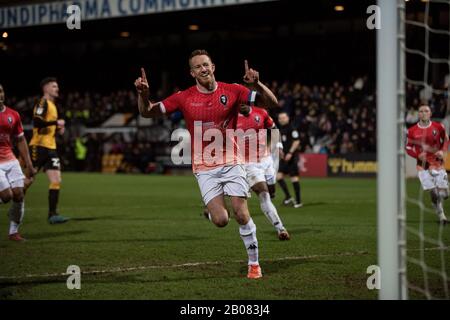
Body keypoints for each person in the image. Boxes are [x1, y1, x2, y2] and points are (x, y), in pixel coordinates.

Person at [134, 49, 278, 279]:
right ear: (192, 73)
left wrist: (258, 85)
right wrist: (143, 94)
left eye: (206, 65)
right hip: (204, 168)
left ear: (213, 67)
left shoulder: (233, 90)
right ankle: (213, 211)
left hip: (232, 161)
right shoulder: (184, 97)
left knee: (241, 214)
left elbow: (271, 103)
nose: (203, 69)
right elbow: (147, 112)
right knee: (221, 220)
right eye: (198, 67)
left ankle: (254, 265)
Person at [237, 104, 290, 240]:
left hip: (267, 160)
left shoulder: (261, 113)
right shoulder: (231, 118)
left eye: (243, 101)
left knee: (272, 191)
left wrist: (278, 145)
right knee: (264, 193)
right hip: (250, 164)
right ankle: (280, 228)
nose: (240, 104)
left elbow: (273, 129)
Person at [27, 77, 70, 224]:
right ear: (45, 88)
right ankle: (12, 201)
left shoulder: (53, 105)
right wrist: (55, 122)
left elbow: (48, 126)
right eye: (54, 86)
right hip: (38, 146)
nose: (57, 89)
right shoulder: (42, 102)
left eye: (57, 87)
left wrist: (58, 129)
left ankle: (52, 215)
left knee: (56, 180)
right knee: (28, 180)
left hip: (51, 147)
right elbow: (36, 122)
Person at [0, 84, 36, 241]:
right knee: (6, 195)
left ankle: (13, 232)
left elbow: (20, 139)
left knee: (19, 194)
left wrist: (28, 163)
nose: (0, 94)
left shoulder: (13, 115)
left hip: (10, 159)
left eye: (1, 91)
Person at [406, 105, 449, 224]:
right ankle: (442, 217)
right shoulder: (412, 130)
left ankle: (443, 193)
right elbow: (408, 147)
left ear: (430, 113)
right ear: (418, 114)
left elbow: (446, 140)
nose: (423, 113)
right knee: (434, 192)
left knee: (444, 194)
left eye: (426, 111)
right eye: (421, 111)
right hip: (422, 165)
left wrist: (442, 150)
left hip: (438, 163)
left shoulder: (438, 126)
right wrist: (416, 156)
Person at [277, 112, 303, 208]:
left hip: (292, 157)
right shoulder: (280, 129)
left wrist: (290, 153)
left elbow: (297, 141)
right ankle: (288, 197)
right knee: (279, 176)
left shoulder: (292, 128)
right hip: (284, 157)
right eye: (280, 118)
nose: (282, 119)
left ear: (287, 118)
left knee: (294, 177)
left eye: (284, 117)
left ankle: (298, 201)